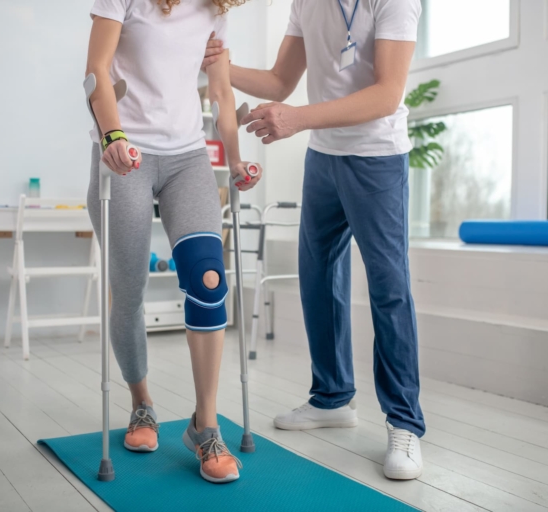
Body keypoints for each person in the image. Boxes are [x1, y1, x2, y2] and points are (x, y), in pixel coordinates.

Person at [203, 0, 425, 480]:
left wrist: (298, 118)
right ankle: (332, 397)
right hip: (324, 156)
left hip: (378, 157)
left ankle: (405, 423)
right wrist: (223, 67)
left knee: (389, 287)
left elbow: (387, 94)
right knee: (318, 276)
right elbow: (281, 81)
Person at [85, 0, 259, 484]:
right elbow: (97, 68)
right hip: (127, 153)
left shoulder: (215, 8)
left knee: (208, 278)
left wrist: (237, 159)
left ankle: (205, 426)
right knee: (130, 289)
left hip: (188, 157)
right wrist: (111, 135)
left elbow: (221, 93)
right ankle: (142, 404)